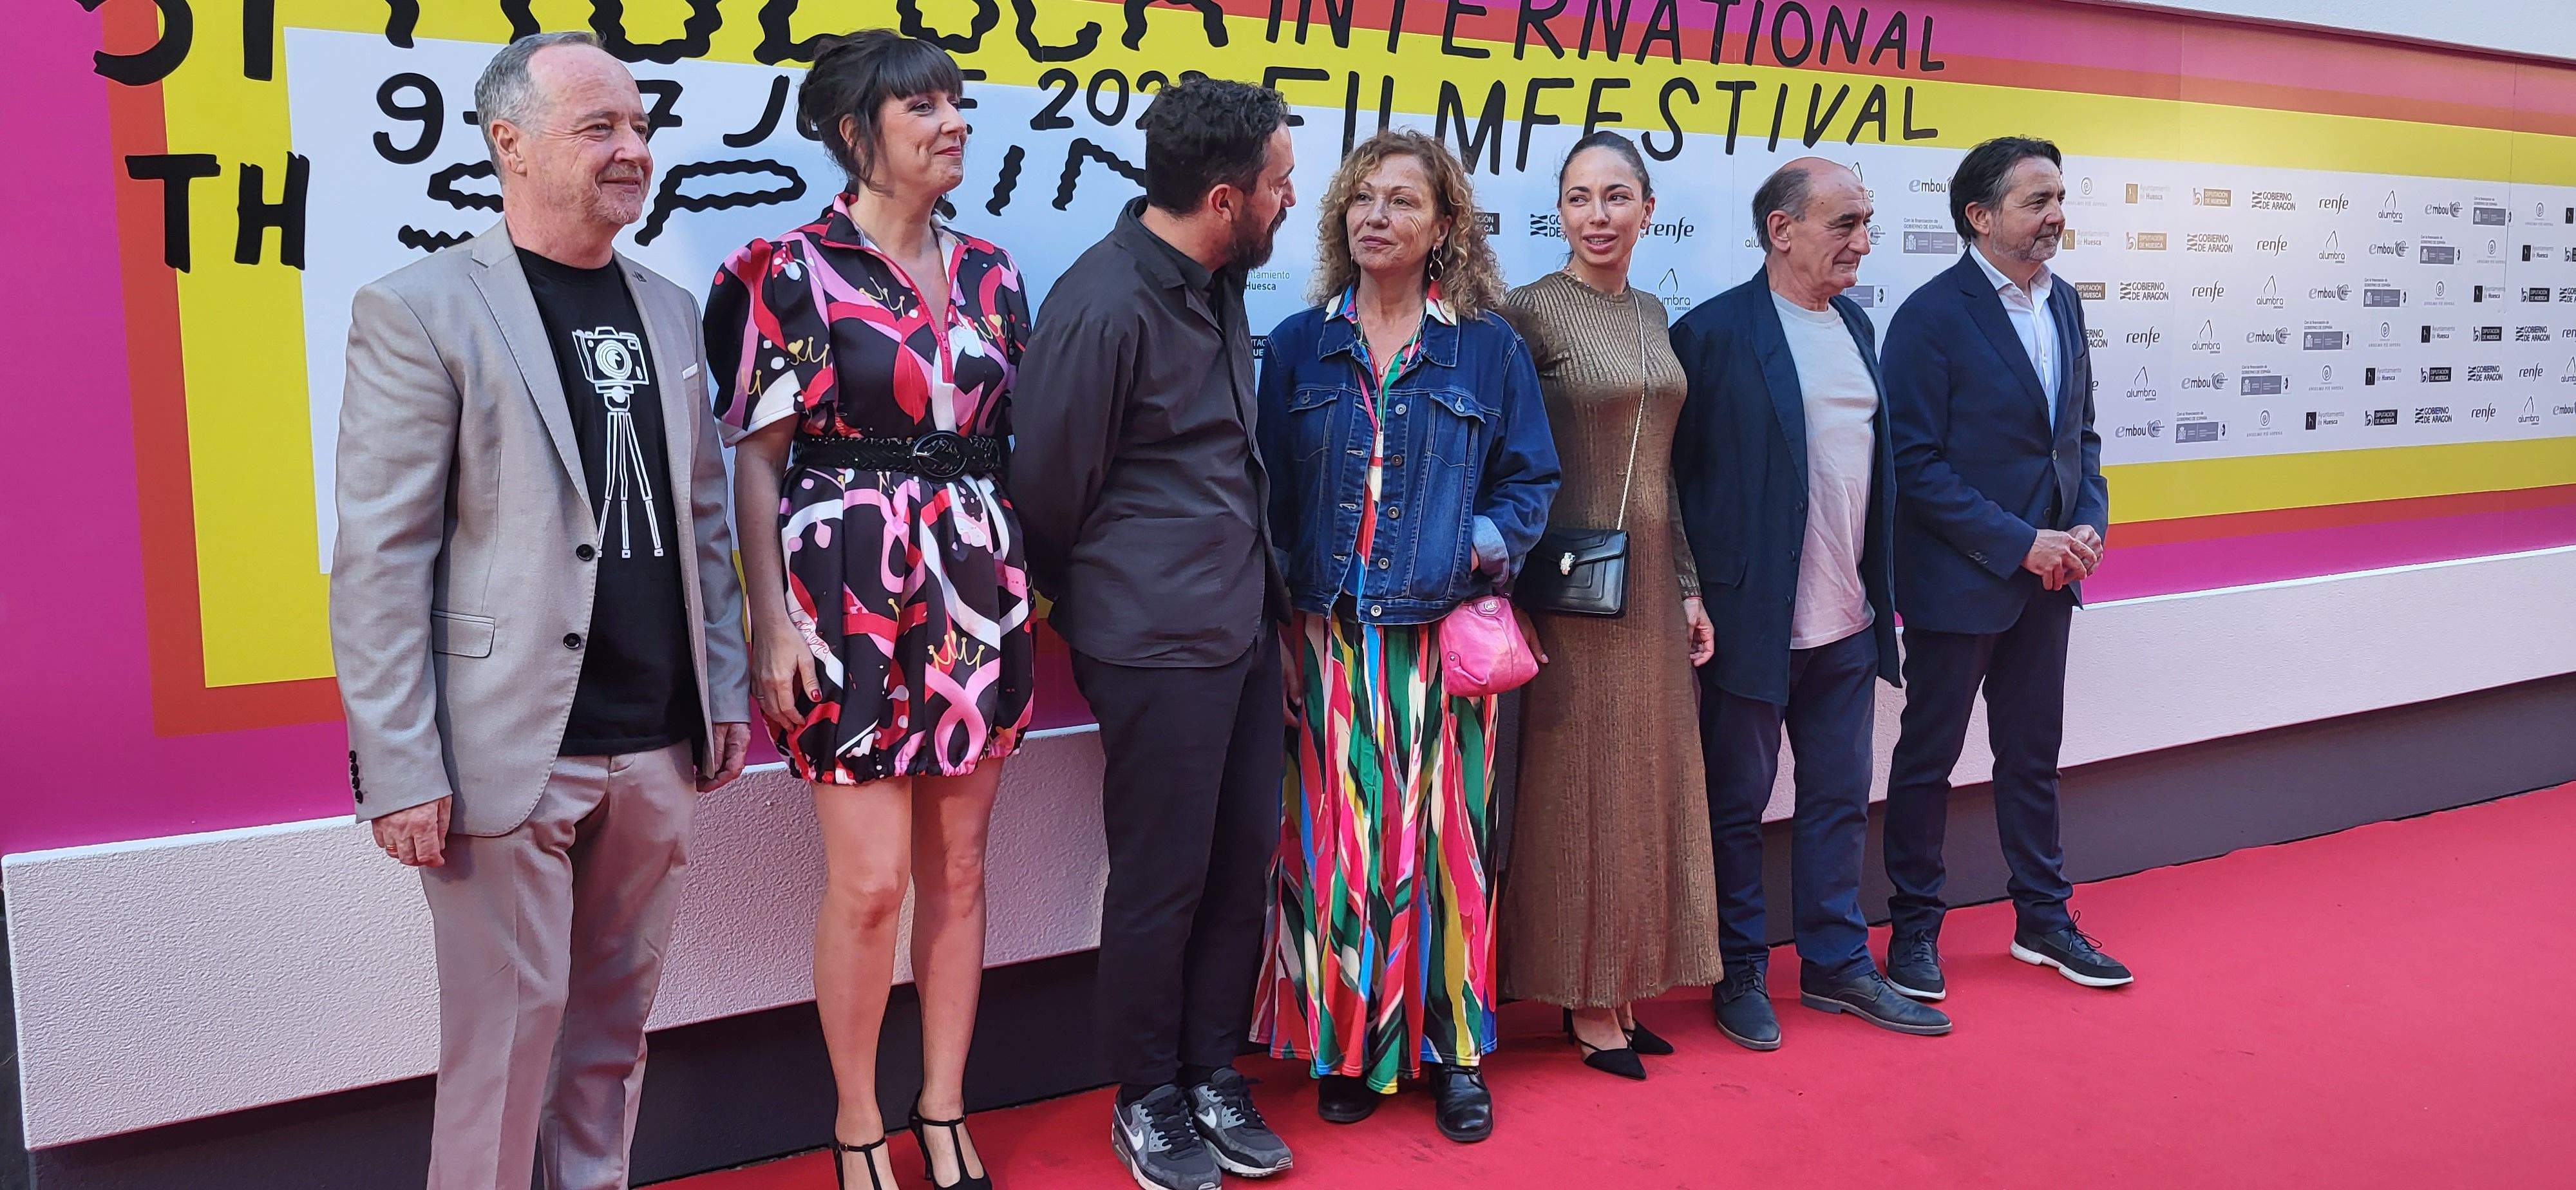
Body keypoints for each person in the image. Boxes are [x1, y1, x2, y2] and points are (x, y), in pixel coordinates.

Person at [329, 32, 750, 1190]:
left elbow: (703, 519)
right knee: (503, 1054)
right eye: (599, 127)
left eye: (640, 127)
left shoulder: (670, 311)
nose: (634, 150)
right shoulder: (419, 310)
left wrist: (721, 685)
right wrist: (401, 764)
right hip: (502, 753)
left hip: (659, 743)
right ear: (509, 144)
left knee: (614, 1044)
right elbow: (379, 558)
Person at [703, 30, 1035, 1190]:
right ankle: (855, 1121)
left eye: (957, 104)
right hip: (841, 591)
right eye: (922, 109)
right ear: (855, 133)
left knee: (961, 869)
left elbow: (1006, 435)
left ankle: (943, 1107)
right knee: (873, 881)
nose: (951, 124)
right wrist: (767, 623)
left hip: (975, 584)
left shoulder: (996, 271)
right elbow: (756, 462)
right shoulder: (784, 270)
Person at [1010, 78, 1300, 1190]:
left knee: (1240, 868)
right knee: (1161, 878)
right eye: (1278, 183)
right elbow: (1046, 486)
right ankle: (1149, 1097)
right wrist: (1107, 610)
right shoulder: (1105, 303)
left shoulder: (1219, 278)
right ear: (1226, 198)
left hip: (1238, 633)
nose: (1290, 200)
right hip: (1152, 645)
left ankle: (1210, 1070)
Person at [1251, 128, 1560, 1144]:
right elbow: (1276, 502)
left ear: (1444, 228)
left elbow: (1530, 482)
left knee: (1448, 848)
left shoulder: (1487, 346)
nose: (1376, 216)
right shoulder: (1300, 343)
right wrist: (1290, 626)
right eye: (1361, 200)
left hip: (1444, 645)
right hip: (1334, 639)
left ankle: (1456, 1051)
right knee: (1341, 849)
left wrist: (1470, 543)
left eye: (1402, 202)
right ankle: (1348, 1046)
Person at [1667, 158, 1950, 1052]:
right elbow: (1675, 485)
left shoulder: (1860, 328)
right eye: (1845, 223)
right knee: (1736, 804)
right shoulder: (1710, 336)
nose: (1863, 241)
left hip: (1847, 622)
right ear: (1781, 230)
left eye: (1866, 222)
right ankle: (1739, 969)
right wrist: (1691, 597)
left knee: (1837, 799)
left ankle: (1835, 965)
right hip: (1751, 625)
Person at [1879, 135, 2132, 1000]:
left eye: (2059, 196)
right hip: (1960, 580)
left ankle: (2044, 920)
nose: (2056, 214)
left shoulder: (2062, 305)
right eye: (2036, 200)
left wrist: (2087, 526)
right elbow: (1914, 467)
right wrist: (2021, 541)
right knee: (1929, 759)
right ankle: (1914, 929)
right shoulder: (1929, 317)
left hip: (2050, 582)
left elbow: (2080, 438)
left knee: (2033, 755)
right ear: (1980, 217)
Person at [1495, 131, 1721, 1081]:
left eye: (1617, 197)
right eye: (1580, 199)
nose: (1598, 216)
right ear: (1560, 212)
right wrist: (1510, 595)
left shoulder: (1656, 310)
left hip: (1652, 589)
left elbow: (1661, 469)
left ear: (1646, 209)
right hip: (1571, 588)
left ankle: (1627, 982)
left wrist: (1689, 586)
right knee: (1578, 790)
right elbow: (1502, 461)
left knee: (1647, 788)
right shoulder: (1527, 314)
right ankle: (1584, 1002)